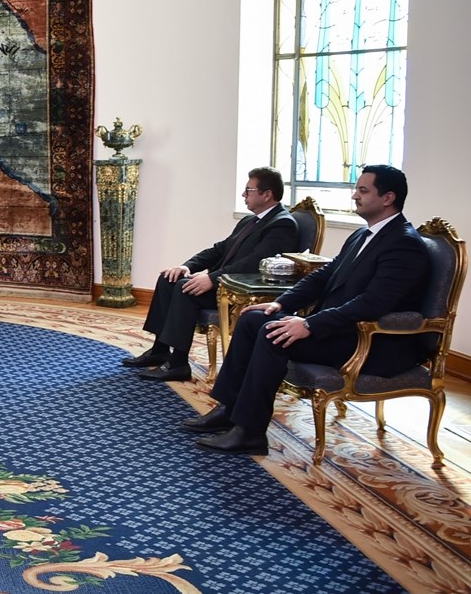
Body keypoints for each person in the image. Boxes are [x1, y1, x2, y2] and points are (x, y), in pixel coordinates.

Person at [186, 164, 430, 456]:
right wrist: (281, 303)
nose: (355, 196)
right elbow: (322, 276)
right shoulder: (361, 235)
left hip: (368, 342)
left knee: (272, 334)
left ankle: (250, 432)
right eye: (356, 189)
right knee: (253, 318)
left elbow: (373, 303)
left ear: (388, 198)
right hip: (339, 329)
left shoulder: (404, 244)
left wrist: (309, 324)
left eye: (363, 191)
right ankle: (229, 409)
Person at [127, 167, 301, 382]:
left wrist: (212, 278)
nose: (243, 195)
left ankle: (178, 363)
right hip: (223, 281)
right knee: (169, 279)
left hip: (240, 290)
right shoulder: (250, 220)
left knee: (185, 289)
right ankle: (159, 350)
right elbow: (219, 249)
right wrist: (187, 267)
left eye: (248, 190)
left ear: (267, 194)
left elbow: (254, 263)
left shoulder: (283, 224)